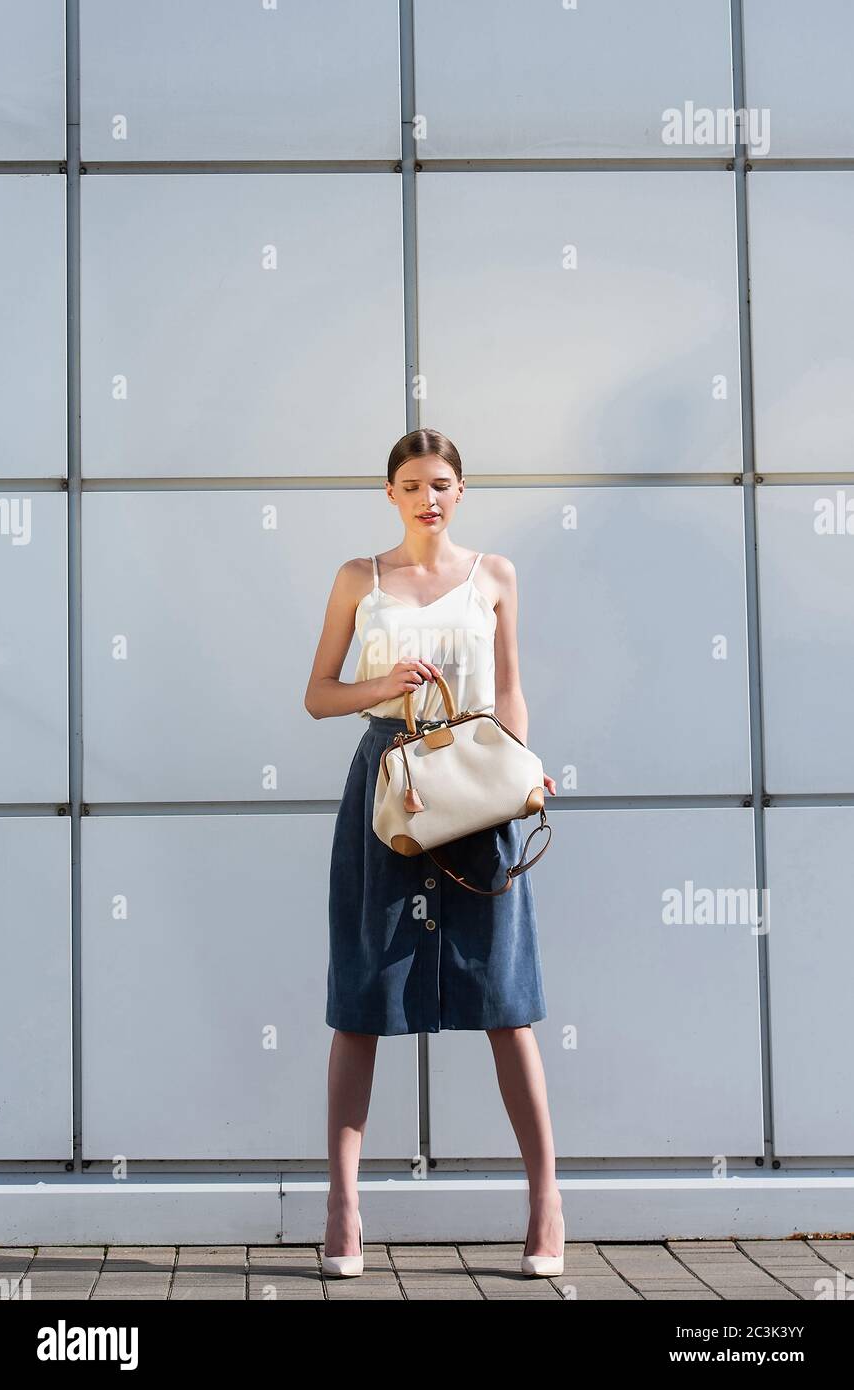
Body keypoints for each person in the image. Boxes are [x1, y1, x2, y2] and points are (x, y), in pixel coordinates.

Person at [304, 428, 564, 1279]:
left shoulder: (494, 574)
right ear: (391, 493)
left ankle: (545, 1204)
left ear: (461, 491)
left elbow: (511, 686)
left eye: (443, 483)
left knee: (504, 995)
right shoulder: (359, 578)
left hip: (476, 782)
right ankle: (343, 1211)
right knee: (363, 992)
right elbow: (317, 696)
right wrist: (383, 685)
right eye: (413, 484)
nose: (429, 497)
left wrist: (522, 769)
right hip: (388, 786)